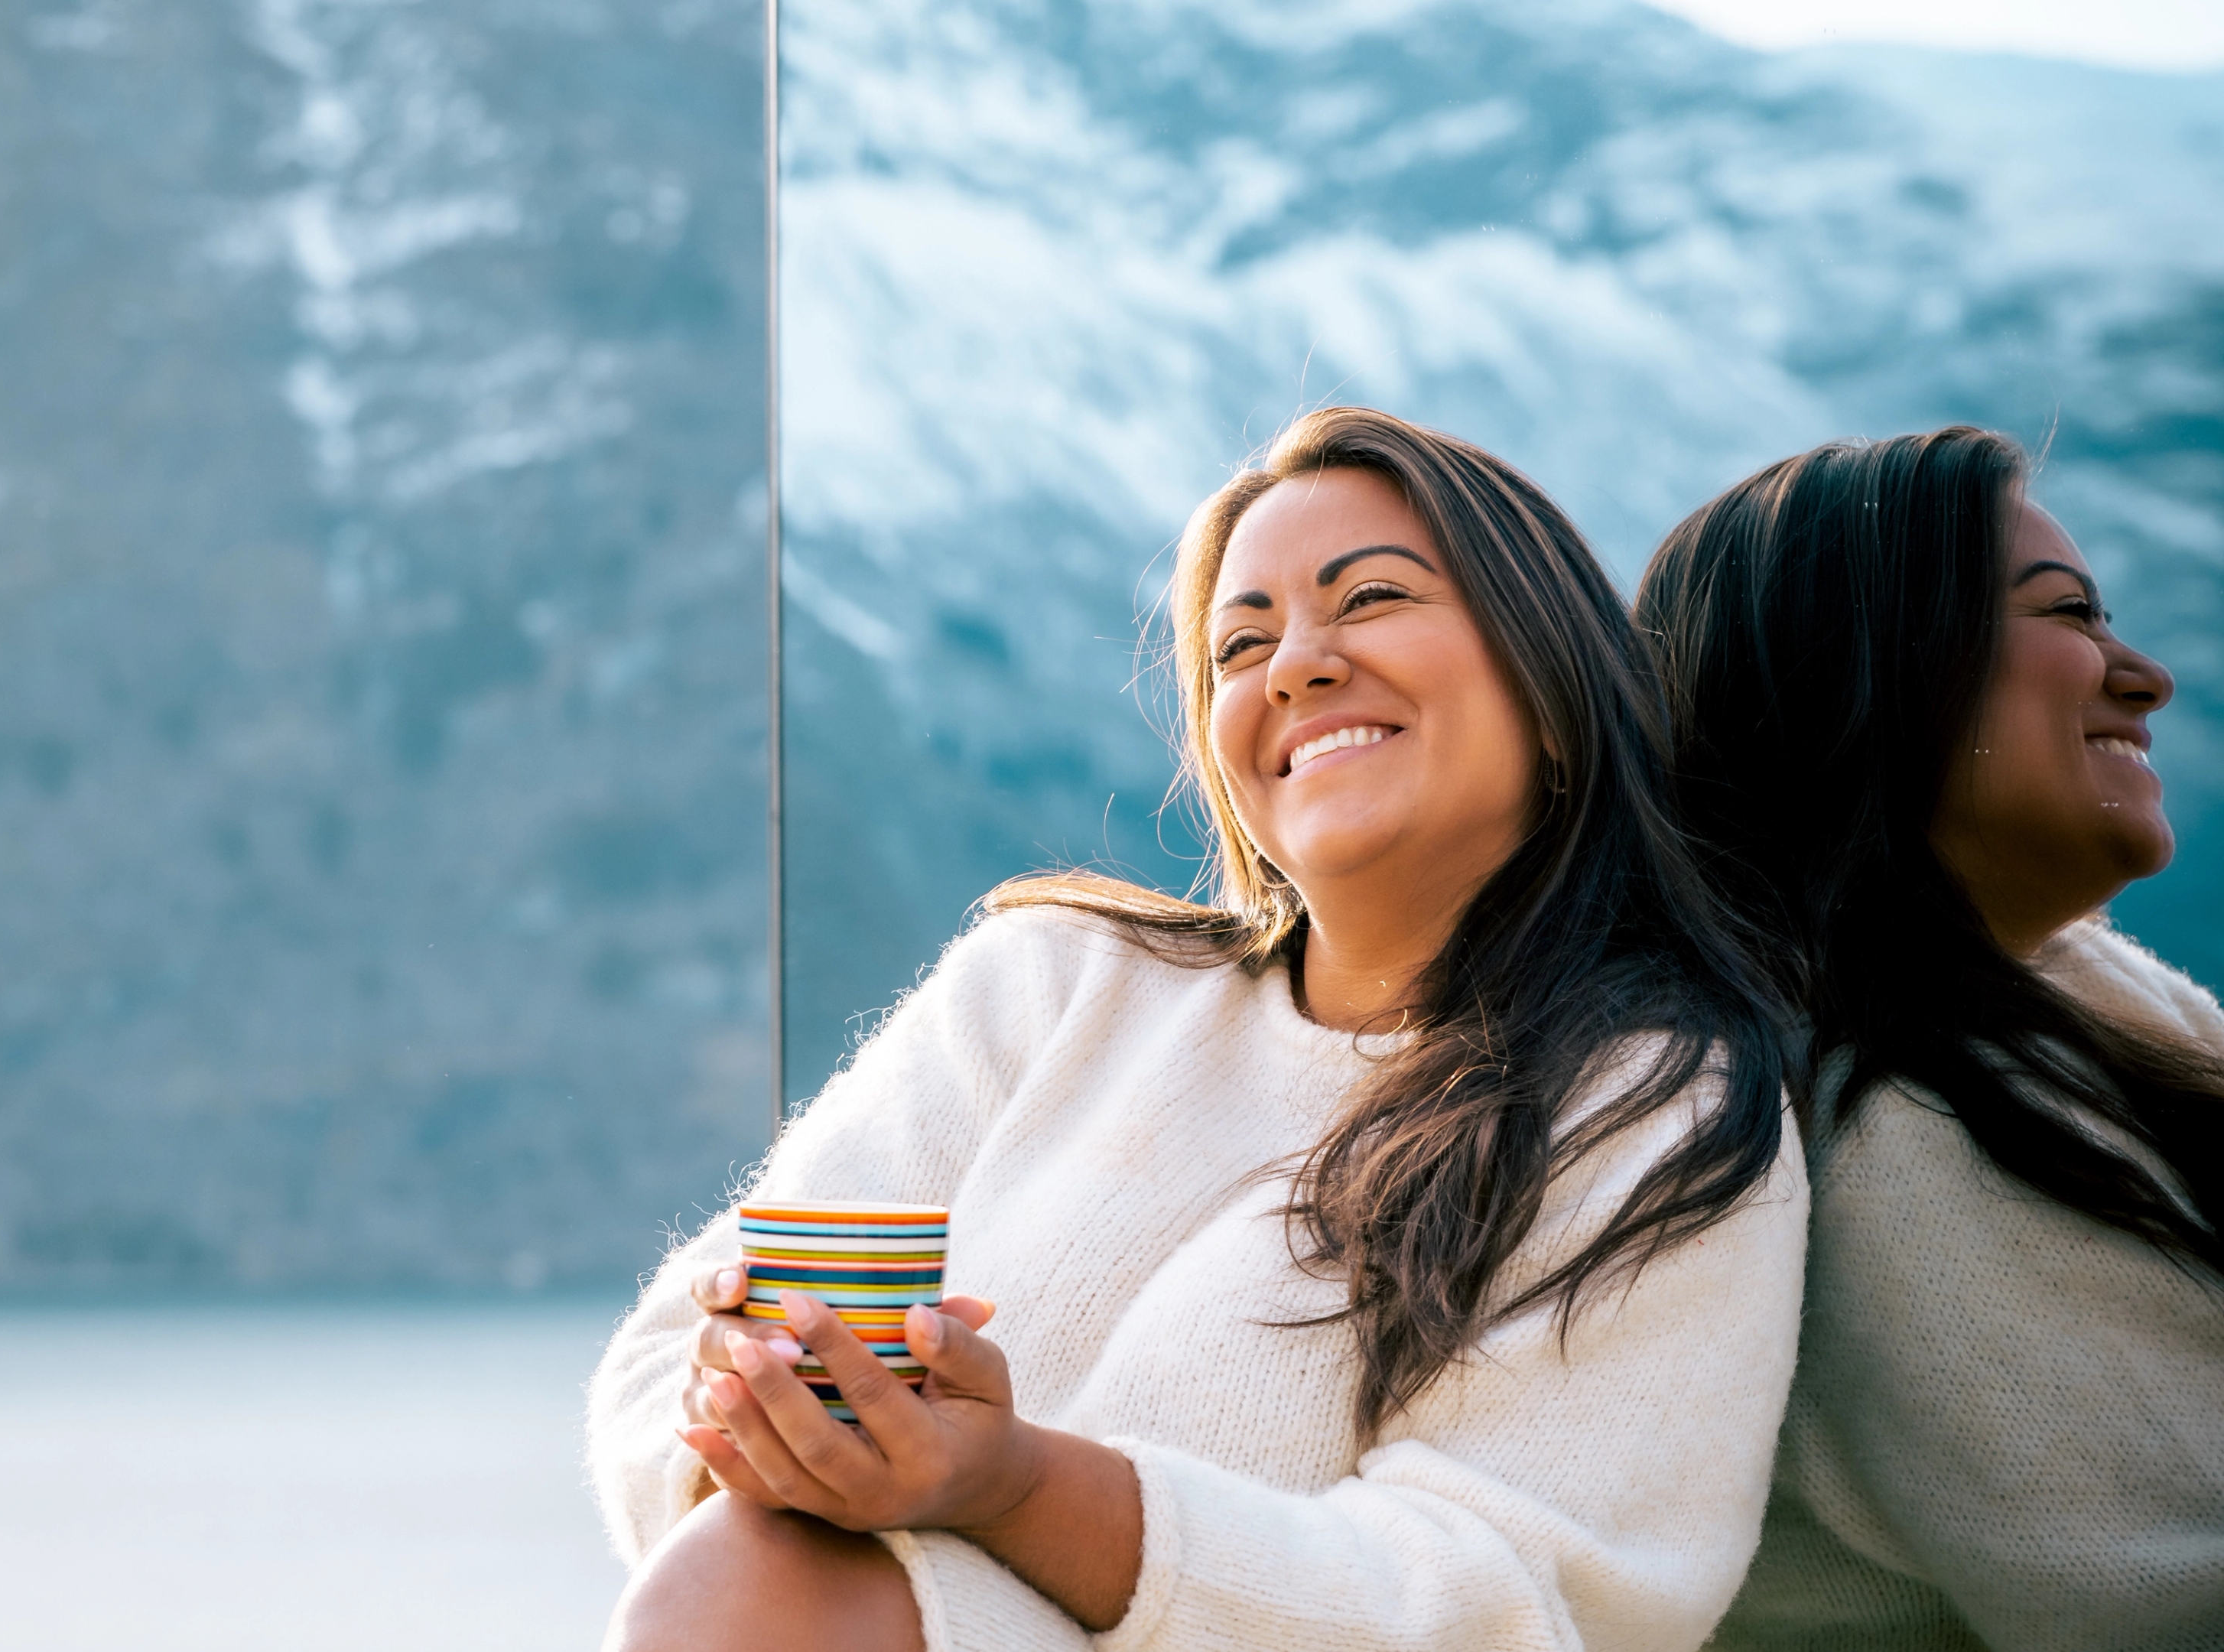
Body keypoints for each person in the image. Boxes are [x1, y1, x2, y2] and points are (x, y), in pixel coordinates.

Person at [586, 406, 1808, 1651]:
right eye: (1241, 645)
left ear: (1552, 684)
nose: (1295, 667)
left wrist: (1012, 1484)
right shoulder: (1050, 985)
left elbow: (1506, 1600)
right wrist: (745, 1415)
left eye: (1371, 599)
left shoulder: (1652, 1107)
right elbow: (668, 1357)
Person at [1637, 427, 2224, 1650]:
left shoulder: (2062, 1001)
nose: (2145, 675)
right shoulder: (1904, 1135)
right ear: (1873, 673)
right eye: (2069, 616)